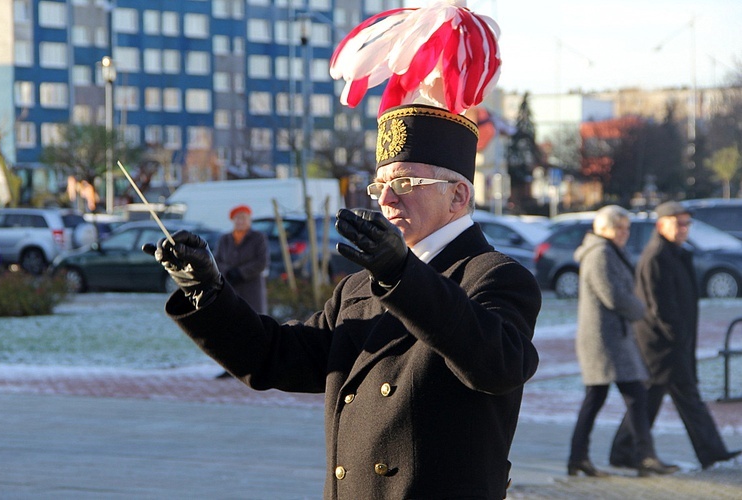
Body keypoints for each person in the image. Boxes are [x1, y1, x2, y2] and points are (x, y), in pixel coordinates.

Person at [142, 3, 541, 497]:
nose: (388, 198)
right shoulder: (361, 286)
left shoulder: (495, 276)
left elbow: (496, 366)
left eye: (407, 182)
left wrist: (400, 274)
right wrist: (207, 291)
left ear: (459, 195)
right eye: (379, 187)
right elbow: (274, 357)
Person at [609, 201, 741, 470]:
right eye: (678, 223)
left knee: (656, 398)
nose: (684, 229)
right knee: (676, 397)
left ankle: (623, 451)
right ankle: (711, 452)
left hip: (671, 342)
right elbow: (660, 305)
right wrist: (677, 336)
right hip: (661, 344)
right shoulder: (657, 255)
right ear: (661, 224)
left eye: (686, 223)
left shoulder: (676, 253)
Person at [567, 206, 677, 478]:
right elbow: (613, 296)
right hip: (605, 340)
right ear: (604, 229)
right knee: (635, 395)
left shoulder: (608, 250)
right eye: (620, 228)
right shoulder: (601, 253)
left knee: (599, 398)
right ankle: (643, 457)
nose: (625, 234)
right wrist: (641, 310)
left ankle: (579, 458)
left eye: (627, 228)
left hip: (612, 337)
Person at [214, 204, 269, 315]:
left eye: (244, 218)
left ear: (249, 220)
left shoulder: (258, 237)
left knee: (254, 319)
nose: (240, 221)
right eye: (237, 218)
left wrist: (240, 272)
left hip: (252, 289)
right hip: (229, 287)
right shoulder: (224, 239)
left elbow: (262, 262)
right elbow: (216, 261)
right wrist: (227, 271)